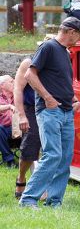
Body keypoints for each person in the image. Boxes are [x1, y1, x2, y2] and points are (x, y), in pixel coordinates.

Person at [19, 17, 80, 209]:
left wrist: (74, 100)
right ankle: (28, 199)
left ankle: (54, 202)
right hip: (50, 112)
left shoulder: (65, 52)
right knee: (53, 155)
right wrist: (47, 98)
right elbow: (29, 75)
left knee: (65, 158)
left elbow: (60, 81)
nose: (79, 39)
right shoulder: (48, 47)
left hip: (66, 112)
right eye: (79, 35)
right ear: (71, 31)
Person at [13, 58, 41, 198]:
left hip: (53, 109)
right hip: (31, 109)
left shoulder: (61, 60)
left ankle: (41, 186)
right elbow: (17, 88)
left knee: (51, 150)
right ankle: (21, 177)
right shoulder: (28, 62)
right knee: (30, 146)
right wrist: (22, 115)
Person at [0, 75, 16, 168]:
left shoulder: (18, 95)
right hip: (5, 130)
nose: (14, 82)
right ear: (2, 85)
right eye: (11, 81)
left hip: (21, 127)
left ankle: (31, 159)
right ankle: (10, 160)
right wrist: (9, 106)